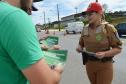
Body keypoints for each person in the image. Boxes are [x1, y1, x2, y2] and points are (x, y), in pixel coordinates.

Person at [0, 0, 62, 84]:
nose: (30, 11)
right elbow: (47, 82)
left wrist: (37, 47)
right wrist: (58, 67)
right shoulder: (15, 16)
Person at [76, 2, 122, 84]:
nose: (88, 16)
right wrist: (79, 47)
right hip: (89, 65)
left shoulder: (108, 28)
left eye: (91, 13)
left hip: (104, 66)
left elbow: (118, 49)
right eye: (87, 14)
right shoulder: (85, 29)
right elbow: (81, 43)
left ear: (100, 13)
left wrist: (105, 54)